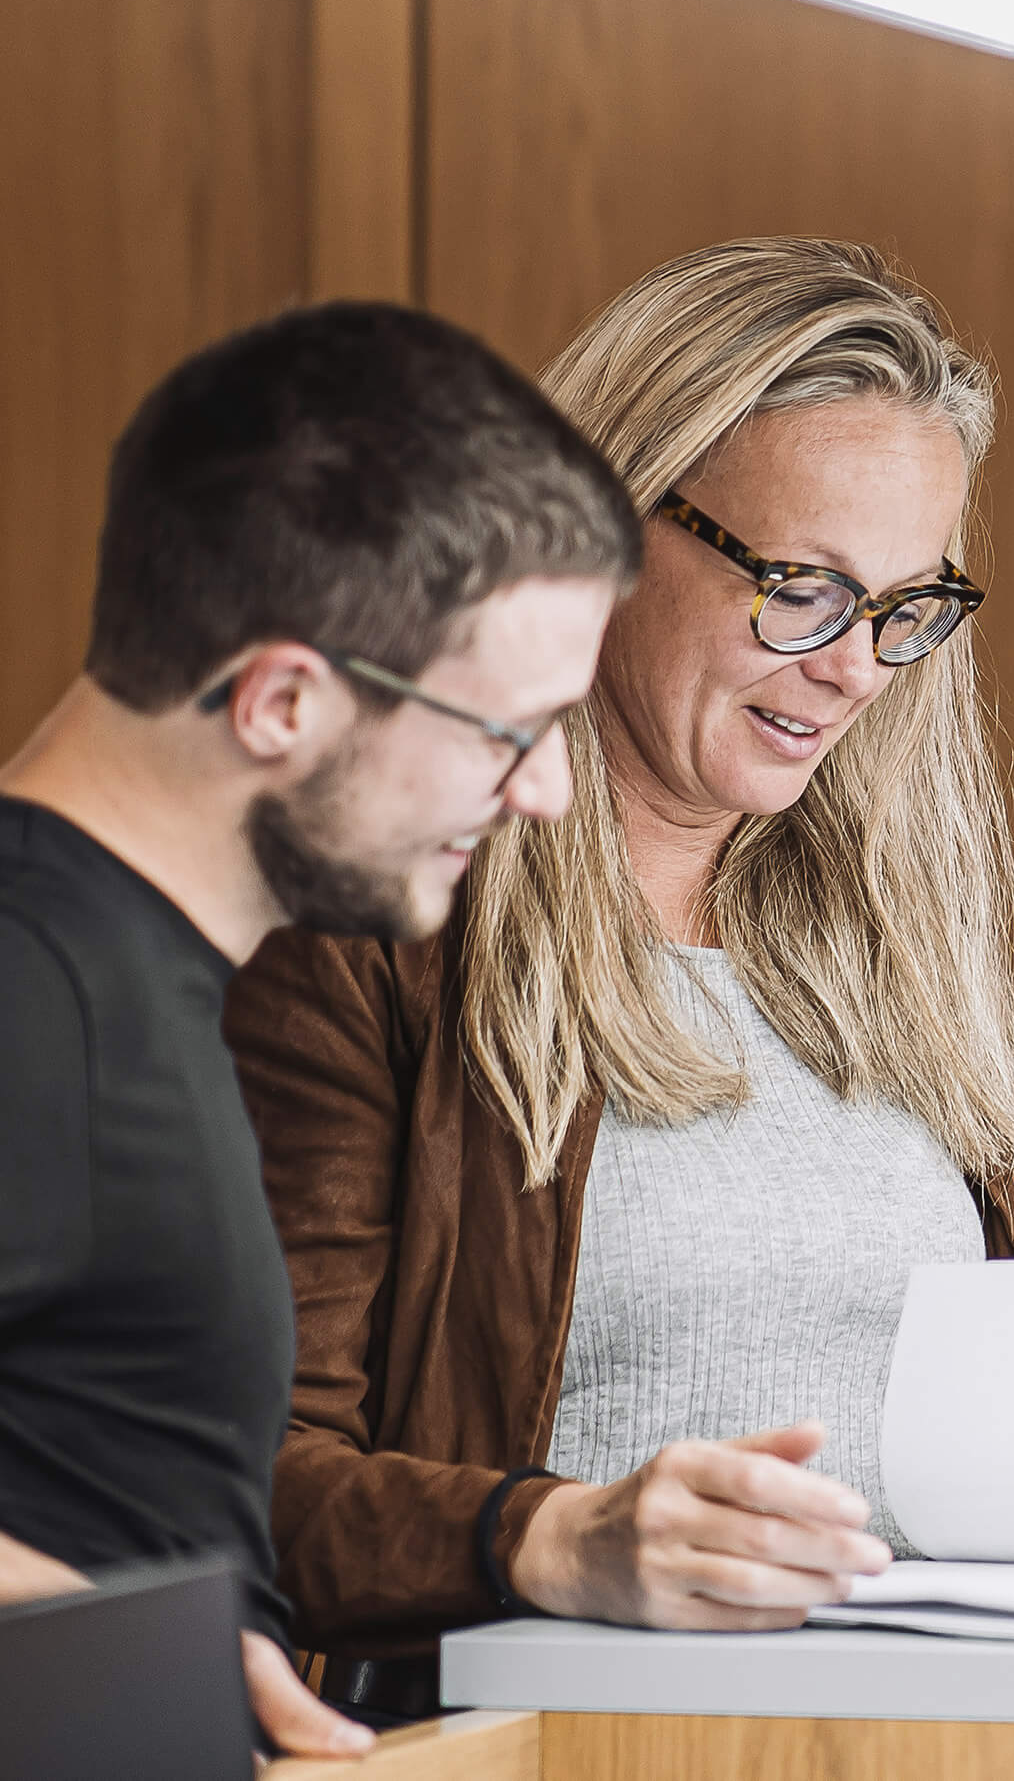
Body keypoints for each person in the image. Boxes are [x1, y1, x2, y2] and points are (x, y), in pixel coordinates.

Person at [226, 240, 1014, 1720]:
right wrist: (559, 1538)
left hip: (941, 1740)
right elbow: (233, 1479)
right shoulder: (374, 919)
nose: (854, 671)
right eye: (805, 589)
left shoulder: (882, 941)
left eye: (906, 610)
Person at [0, 302, 639, 1756]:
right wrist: (123, 1653)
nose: (543, 794)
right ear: (284, 700)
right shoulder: (35, 994)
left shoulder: (135, 977)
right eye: (508, 732)